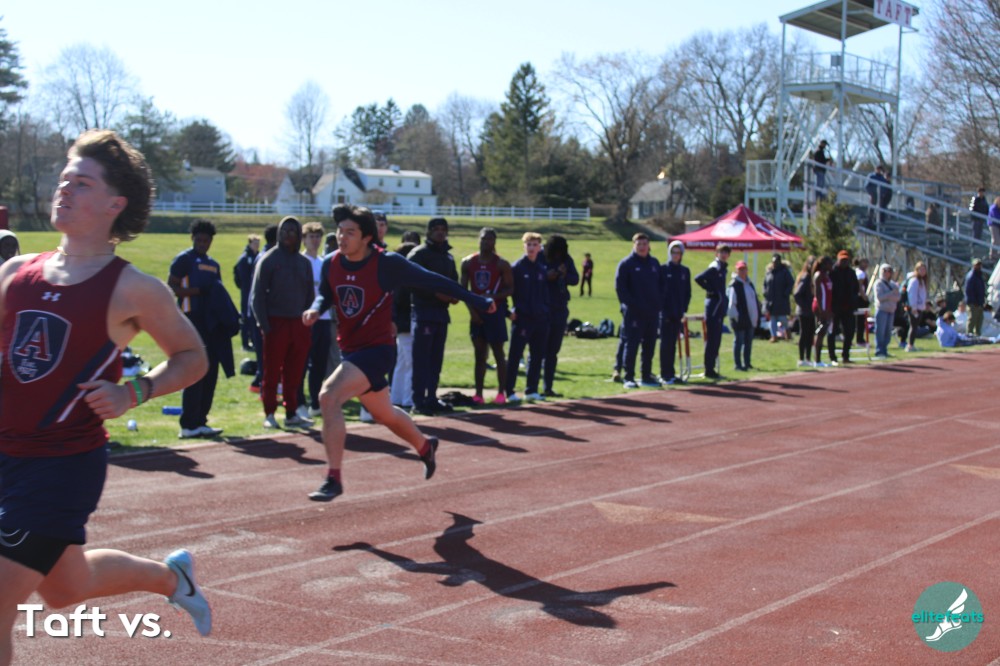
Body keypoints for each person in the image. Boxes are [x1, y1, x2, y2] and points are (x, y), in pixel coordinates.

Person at [0, 130, 212, 665]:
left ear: (115, 204)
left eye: (81, 182)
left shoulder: (132, 288)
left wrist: (134, 390)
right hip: (4, 454)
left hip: (60, 466)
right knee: (65, 588)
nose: (64, 188)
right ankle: (172, 577)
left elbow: (193, 356)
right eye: (64, 178)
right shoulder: (13, 274)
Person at [301, 204, 495, 502]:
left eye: (350, 232)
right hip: (350, 350)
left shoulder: (386, 263)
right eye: (340, 231)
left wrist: (476, 299)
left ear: (367, 237)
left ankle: (334, 478)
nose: (342, 237)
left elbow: (433, 280)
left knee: (329, 396)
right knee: (385, 414)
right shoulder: (331, 262)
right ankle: (425, 446)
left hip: (378, 350)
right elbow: (327, 293)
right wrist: (315, 308)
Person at [168, 219, 238, 439]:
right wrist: (197, 291)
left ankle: (201, 421)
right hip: (191, 321)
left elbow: (218, 294)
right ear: (192, 238)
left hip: (211, 323)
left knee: (210, 371)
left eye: (206, 241)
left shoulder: (214, 265)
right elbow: (171, 287)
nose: (202, 244)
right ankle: (188, 424)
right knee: (195, 372)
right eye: (198, 240)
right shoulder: (183, 259)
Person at [251, 216, 315, 429]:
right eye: (284, 231)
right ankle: (269, 413)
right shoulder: (268, 260)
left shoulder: (304, 263)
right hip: (275, 323)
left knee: (294, 372)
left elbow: (310, 295)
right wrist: (264, 325)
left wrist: (307, 320)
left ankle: (291, 412)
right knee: (271, 372)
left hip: (299, 324)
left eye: (292, 231)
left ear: (298, 235)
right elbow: (257, 296)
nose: (288, 235)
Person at [407, 218, 459, 415]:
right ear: (428, 232)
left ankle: (431, 398)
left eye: (443, 229)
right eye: (436, 229)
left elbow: (454, 281)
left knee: (436, 360)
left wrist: (456, 295)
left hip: (441, 314)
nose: (440, 232)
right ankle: (418, 401)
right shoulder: (418, 254)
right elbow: (411, 282)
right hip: (423, 313)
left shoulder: (448, 257)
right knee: (421, 359)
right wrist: (436, 294)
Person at [460, 228, 513, 404]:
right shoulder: (468, 262)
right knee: (480, 354)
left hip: (495, 313)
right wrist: (473, 311)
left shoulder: (501, 264)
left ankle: (501, 393)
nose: (486, 242)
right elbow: (462, 290)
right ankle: (478, 394)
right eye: (483, 239)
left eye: (490, 239)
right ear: (479, 240)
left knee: (499, 353)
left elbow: (510, 289)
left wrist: (493, 297)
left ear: (495, 242)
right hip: (477, 314)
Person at [505, 232, 550, 401]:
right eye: (528, 244)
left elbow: (545, 294)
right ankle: (509, 391)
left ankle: (531, 390)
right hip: (522, 319)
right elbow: (506, 290)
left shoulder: (541, 269)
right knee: (515, 355)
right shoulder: (517, 268)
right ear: (524, 246)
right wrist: (508, 312)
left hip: (540, 319)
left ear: (539, 247)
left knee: (537, 355)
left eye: (534, 245)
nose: (531, 248)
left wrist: (545, 311)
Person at [615, 233, 661, 389]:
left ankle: (646, 375)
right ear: (633, 245)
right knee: (632, 345)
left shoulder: (654, 263)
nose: (642, 247)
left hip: (652, 313)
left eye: (644, 244)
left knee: (649, 346)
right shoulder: (626, 264)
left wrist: (658, 304)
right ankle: (629, 377)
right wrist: (631, 306)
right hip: (634, 313)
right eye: (639, 244)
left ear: (649, 245)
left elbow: (661, 286)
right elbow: (620, 288)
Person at [298, 222, 332, 419]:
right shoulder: (300, 262)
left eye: (318, 236)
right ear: (304, 239)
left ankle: (315, 402)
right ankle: (298, 402)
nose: (315, 240)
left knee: (319, 363)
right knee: (302, 362)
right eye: (311, 236)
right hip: (305, 319)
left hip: (324, 318)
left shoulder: (323, 262)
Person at [541, 235, 579, 397]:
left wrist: (564, 274)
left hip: (560, 308)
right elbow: (534, 277)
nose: (558, 255)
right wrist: (546, 275)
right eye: (555, 251)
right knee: (538, 350)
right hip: (543, 308)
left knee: (553, 351)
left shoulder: (566, 259)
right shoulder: (541, 257)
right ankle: (532, 387)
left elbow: (575, 279)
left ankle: (547, 387)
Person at [389, 237, 419, 409]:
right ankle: (408, 398)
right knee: (411, 361)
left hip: (401, 323)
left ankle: (396, 397)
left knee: (402, 362)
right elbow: (401, 302)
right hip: (406, 323)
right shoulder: (404, 279)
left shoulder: (396, 277)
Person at [695, 243, 731, 379]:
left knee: (717, 339)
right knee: (712, 339)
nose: (724, 255)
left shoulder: (723, 268)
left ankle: (712, 367)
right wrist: (711, 289)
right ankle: (709, 369)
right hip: (713, 306)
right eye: (721, 252)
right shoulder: (715, 267)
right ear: (717, 254)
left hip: (719, 306)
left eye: (726, 253)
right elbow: (699, 278)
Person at [658, 240, 691, 384]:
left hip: (678, 313)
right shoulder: (663, 269)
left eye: (678, 252)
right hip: (665, 313)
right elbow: (659, 291)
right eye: (673, 252)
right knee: (665, 344)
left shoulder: (685, 271)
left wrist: (684, 308)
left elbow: (687, 292)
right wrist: (662, 309)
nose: (675, 255)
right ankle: (664, 373)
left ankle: (671, 373)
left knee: (673, 344)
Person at [727, 261, 760, 371]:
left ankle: (747, 363)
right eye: (740, 269)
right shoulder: (734, 285)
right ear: (736, 271)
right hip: (739, 318)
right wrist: (735, 317)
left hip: (750, 318)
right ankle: (738, 364)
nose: (742, 271)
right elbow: (731, 303)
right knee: (739, 341)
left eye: (744, 269)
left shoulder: (750, 284)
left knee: (748, 342)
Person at [828, 250, 858, 365]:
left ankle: (846, 355)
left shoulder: (851, 273)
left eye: (846, 260)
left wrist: (853, 301)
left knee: (849, 332)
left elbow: (855, 288)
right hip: (835, 307)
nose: (844, 262)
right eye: (842, 260)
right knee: (832, 332)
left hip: (848, 307)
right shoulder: (832, 272)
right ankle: (832, 357)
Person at [232, 233, 260, 351]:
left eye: (258, 243)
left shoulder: (258, 256)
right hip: (247, 291)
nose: (257, 245)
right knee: (246, 316)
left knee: (254, 316)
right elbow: (241, 276)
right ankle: (245, 342)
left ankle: (253, 340)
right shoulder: (244, 258)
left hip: (255, 291)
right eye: (255, 243)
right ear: (250, 243)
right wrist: (245, 287)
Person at [762, 253, 793, 341]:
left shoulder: (785, 272)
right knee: (772, 318)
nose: (774, 263)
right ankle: (774, 336)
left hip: (781, 299)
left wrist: (786, 293)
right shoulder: (769, 272)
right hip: (771, 300)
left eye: (776, 262)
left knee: (782, 318)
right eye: (773, 262)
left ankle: (787, 332)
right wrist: (765, 292)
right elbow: (765, 284)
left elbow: (790, 283)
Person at [792, 256, 816, 367]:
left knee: (810, 334)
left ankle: (808, 358)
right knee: (804, 333)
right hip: (804, 311)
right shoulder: (806, 277)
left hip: (810, 311)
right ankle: (802, 358)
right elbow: (797, 294)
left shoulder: (811, 277)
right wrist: (806, 306)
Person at [873, 264, 901, 358]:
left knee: (888, 332)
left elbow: (897, 297)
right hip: (882, 310)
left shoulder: (893, 284)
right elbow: (880, 297)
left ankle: (884, 350)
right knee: (880, 332)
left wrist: (889, 296)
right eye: (885, 271)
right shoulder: (879, 283)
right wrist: (891, 293)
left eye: (889, 271)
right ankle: (879, 351)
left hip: (891, 311)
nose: (887, 273)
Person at [812, 256, 834, 367]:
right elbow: (818, 294)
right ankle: (817, 360)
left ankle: (819, 360)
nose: (831, 266)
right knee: (820, 332)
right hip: (821, 307)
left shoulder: (827, 275)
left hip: (826, 307)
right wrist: (822, 310)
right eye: (829, 263)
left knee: (823, 332)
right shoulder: (819, 275)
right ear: (824, 264)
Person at [905, 261, 929, 352]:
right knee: (913, 326)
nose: (923, 271)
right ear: (916, 270)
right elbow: (912, 294)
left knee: (915, 327)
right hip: (914, 308)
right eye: (921, 269)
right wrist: (913, 307)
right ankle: (909, 345)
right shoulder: (914, 280)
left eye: (924, 269)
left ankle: (911, 344)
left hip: (919, 307)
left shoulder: (921, 280)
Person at [964, 258, 987, 337]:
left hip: (980, 302)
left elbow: (981, 289)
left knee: (979, 320)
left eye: (980, 265)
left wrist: (982, 301)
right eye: (977, 265)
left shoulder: (979, 275)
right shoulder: (971, 276)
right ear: (973, 265)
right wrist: (974, 302)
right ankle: (968, 335)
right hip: (973, 303)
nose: (979, 266)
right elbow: (969, 291)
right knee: (972, 319)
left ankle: (977, 336)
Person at [853, 258, 870, 346]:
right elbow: (860, 286)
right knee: (860, 320)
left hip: (858, 298)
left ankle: (859, 338)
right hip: (860, 299)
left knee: (860, 320)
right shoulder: (861, 273)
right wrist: (864, 297)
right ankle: (860, 339)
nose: (866, 265)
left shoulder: (857, 272)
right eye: (865, 262)